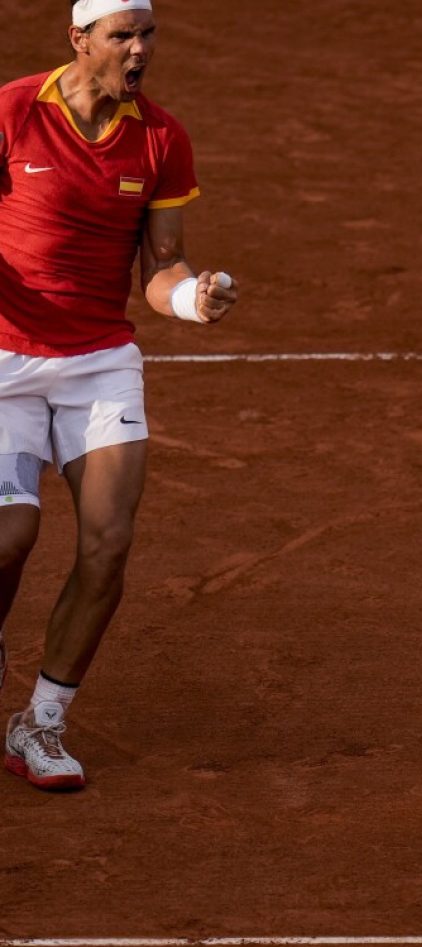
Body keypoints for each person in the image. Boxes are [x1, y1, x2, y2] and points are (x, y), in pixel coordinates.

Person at [0, 0, 238, 791]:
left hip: (98, 359)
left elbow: (162, 264)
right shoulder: (11, 111)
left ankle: (41, 723)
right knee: (10, 534)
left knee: (107, 544)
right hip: (4, 356)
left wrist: (188, 299)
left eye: (148, 34)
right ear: (79, 40)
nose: (139, 49)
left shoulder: (161, 137)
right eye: (122, 36)